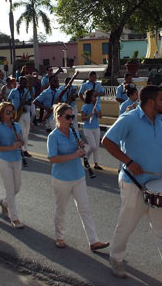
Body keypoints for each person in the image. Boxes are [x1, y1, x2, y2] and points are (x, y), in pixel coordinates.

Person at [101, 85, 162, 286]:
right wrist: (128, 162)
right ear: (150, 102)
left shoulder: (157, 122)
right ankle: (116, 259)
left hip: (156, 185)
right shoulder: (129, 119)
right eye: (161, 100)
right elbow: (107, 141)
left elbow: (157, 149)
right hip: (133, 184)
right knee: (127, 225)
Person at [48, 103, 110, 251]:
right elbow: (53, 158)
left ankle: (93, 240)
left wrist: (81, 148)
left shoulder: (74, 131)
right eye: (68, 117)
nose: (71, 120)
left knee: (85, 208)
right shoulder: (53, 136)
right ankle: (59, 237)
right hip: (62, 178)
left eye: (72, 117)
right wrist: (74, 155)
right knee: (61, 209)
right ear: (59, 117)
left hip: (78, 176)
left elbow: (78, 151)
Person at [0, 102, 25, 229]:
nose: (11, 114)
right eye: (8, 112)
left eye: (12, 111)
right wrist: (11, 147)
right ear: (2, 114)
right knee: (10, 190)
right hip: (4, 161)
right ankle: (15, 218)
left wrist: (20, 140)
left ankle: (4, 203)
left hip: (16, 159)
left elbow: (22, 142)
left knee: (17, 187)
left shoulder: (17, 126)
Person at [8, 77, 33, 158]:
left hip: (26, 112)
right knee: (21, 131)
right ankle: (22, 149)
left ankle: (25, 148)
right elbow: (8, 100)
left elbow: (30, 101)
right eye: (23, 83)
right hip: (17, 113)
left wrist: (25, 102)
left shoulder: (26, 92)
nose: (25, 84)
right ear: (19, 83)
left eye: (26, 83)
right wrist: (12, 110)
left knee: (27, 132)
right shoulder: (14, 91)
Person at [80, 90, 104, 171]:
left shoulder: (97, 106)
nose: (95, 98)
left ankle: (96, 163)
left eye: (96, 96)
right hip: (88, 129)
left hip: (96, 128)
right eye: (94, 96)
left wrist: (96, 112)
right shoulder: (85, 106)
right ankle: (86, 158)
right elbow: (82, 118)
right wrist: (88, 116)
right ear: (90, 97)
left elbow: (100, 116)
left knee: (96, 147)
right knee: (93, 146)